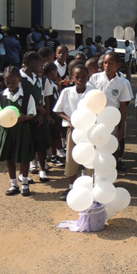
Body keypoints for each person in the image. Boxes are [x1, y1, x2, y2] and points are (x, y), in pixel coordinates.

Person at [0, 66, 36, 196]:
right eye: (7, 82)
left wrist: (24, 118)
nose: (10, 85)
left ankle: (24, 183)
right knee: (9, 157)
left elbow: (32, 114)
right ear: (4, 81)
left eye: (14, 82)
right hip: (7, 132)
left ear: (19, 80)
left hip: (22, 130)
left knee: (24, 157)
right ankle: (13, 184)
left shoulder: (27, 96)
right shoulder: (0, 97)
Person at [54, 64, 94, 200]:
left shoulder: (93, 93)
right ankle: (71, 187)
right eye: (77, 77)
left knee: (88, 159)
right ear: (72, 78)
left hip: (89, 131)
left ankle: (88, 187)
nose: (80, 80)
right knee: (71, 158)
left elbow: (100, 110)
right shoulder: (66, 92)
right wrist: (70, 119)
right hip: (73, 131)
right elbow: (58, 110)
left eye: (84, 77)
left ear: (88, 77)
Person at [90, 52, 132, 171]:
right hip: (95, 118)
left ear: (118, 65)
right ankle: (95, 168)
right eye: (105, 63)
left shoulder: (122, 83)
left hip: (112, 120)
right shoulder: (95, 78)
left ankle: (109, 169)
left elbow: (123, 107)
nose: (107, 66)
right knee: (96, 143)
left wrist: (121, 127)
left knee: (110, 145)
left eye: (110, 63)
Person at [20, 51, 52, 183]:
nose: (42, 67)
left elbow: (40, 99)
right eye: (40, 64)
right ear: (32, 63)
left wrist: (40, 113)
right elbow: (20, 99)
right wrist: (37, 109)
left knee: (42, 144)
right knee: (27, 147)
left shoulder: (37, 79)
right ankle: (23, 174)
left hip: (38, 118)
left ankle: (42, 169)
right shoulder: (18, 78)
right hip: (25, 118)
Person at [43, 62, 65, 167]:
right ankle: (53, 156)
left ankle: (57, 154)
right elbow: (48, 100)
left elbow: (58, 97)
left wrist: (59, 86)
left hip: (55, 112)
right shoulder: (46, 82)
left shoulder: (52, 83)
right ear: (52, 72)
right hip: (51, 112)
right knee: (53, 136)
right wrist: (48, 114)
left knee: (56, 134)